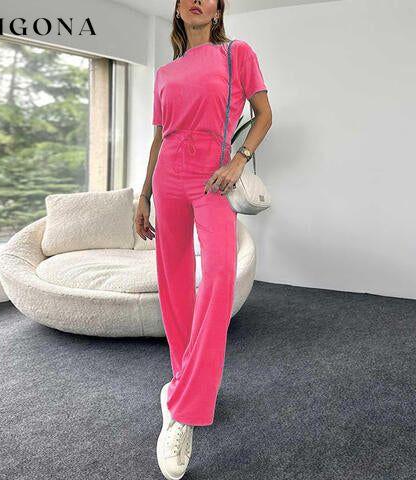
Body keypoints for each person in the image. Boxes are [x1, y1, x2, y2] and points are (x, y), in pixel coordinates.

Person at [134, 1, 272, 478]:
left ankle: (182, 410)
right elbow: (158, 138)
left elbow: (264, 114)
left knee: (218, 275)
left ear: (216, 10)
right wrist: (144, 195)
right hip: (169, 175)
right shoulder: (165, 73)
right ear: (177, 10)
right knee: (173, 282)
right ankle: (182, 381)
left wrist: (239, 159)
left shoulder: (237, 53)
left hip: (213, 175)